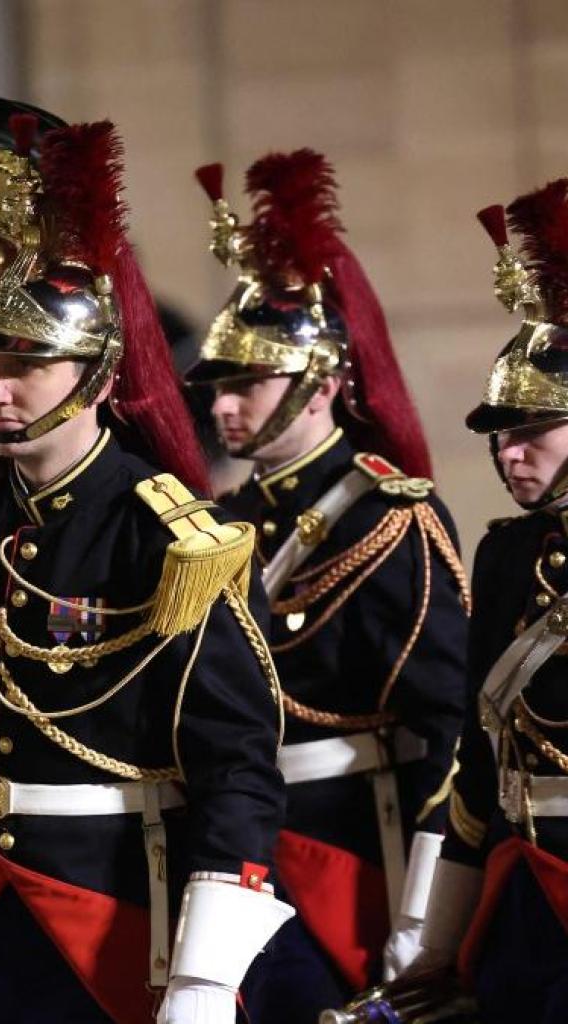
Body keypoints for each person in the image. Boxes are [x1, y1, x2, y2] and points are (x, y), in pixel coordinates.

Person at [0, 117, 292, 1024]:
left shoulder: (166, 535)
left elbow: (236, 762)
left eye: (24, 364)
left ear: (93, 375)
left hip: (113, 906)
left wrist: (205, 973)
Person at [185, 151, 469, 1022]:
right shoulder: (226, 518)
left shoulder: (382, 517)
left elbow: (447, 728)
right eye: (221, 387)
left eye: (249, 383)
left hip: (343, 847)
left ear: (325, 387)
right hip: (231, 843)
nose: (226, 408)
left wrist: (427, 914)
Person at [400, 181, 568, 1021]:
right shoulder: (507, 551)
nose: (510, 454)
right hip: (520, 885)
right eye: (500, 437)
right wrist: (439, 945)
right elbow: (476, 760)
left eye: (532, 430)